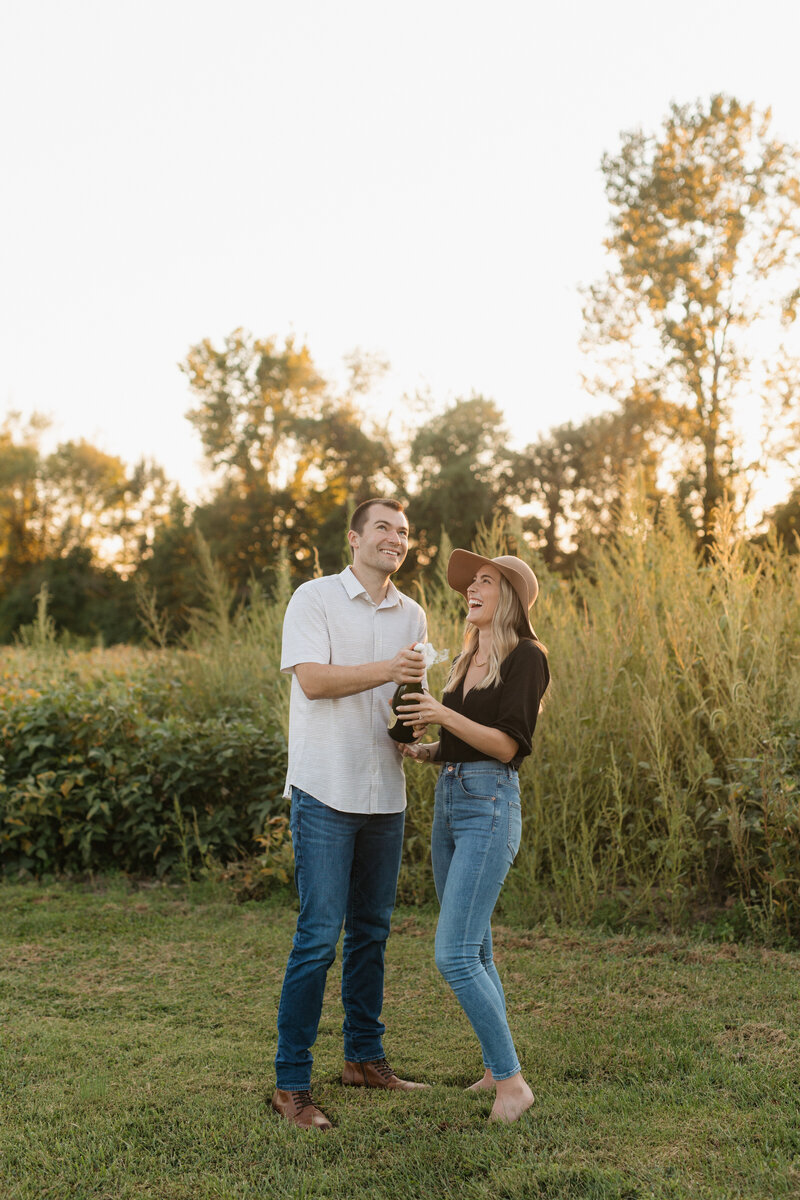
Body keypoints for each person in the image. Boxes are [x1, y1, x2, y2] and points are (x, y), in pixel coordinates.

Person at [272, 498, 429, 1131]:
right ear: (355, 537)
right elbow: (311, 681)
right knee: (318, 938)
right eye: (385, 528)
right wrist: (388, 669)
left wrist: (415, 729)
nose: (396, 538)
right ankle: (291, 1087)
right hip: (325, 790)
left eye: (405, 532)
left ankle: (364, 1060)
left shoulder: (412, 612)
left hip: (384, 795)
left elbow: (402, 696)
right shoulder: (313, 599)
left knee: (372, 933)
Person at [398, 550, 549, 1124]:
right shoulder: (468, 658)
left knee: (454, 954)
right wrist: (426, 749)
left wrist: (440, 712)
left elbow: (508, 746)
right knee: (477, 947)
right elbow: (464, 744)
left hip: (490, 806)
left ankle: (512, 1084)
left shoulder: (527, 658)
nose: (472, 590)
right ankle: (492, 1068)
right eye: (471, 583)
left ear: (509, 595)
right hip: (453, 801)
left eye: (485, 582)